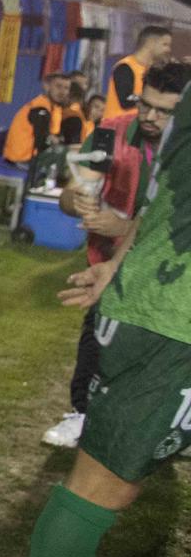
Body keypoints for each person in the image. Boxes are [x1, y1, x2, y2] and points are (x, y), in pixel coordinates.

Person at [0, 75, 186, 557]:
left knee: (111, 477)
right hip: (167, 325)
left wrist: (114, 261)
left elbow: (160, 202)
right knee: (104, 482)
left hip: (156, 308)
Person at [43, 62, 185, 449]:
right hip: (107, 267)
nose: (151, 116)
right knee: (97, 343)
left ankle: (164, 430)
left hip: (171, 275)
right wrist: (79, 202)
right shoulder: (112, 132)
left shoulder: (185, 147)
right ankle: (82, 414)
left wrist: (122, 228)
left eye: (164, 110)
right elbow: (72, 196)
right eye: (146, 105)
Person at [1, 72, 74, 180]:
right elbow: (42, 143)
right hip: (21, 158)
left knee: (69, 161)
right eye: (58, 86)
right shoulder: (40, 108)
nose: (62, 92)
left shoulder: (53, 107)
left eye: (66, 88)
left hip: (32, 156)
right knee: (65, 166)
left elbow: (53, 136)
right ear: (47, 86)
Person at [102, 26, 173, 125]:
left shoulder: (152, 71)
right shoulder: (125, 67)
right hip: (115, 131)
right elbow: (126, 99)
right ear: (150, 43)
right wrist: (152, 99)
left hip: (136, 131)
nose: (168, 49)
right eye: (165, 44)